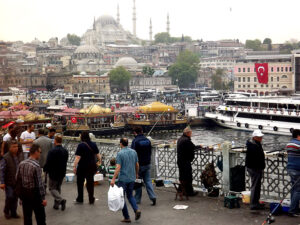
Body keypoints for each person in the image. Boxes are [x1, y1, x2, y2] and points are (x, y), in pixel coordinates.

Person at [111, 138, 141, 223]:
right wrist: (136, 174)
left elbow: (118, 168)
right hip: (131, 177)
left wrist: (113, 179)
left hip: (123, 179)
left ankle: (127, 217)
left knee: (122, 198)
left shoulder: (120, 154)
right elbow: (137, 165)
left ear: (121, 144)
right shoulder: (134, 152)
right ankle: (136, 209)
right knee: (130, 195)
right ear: (127, 143)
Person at [16, 144, 47, 225]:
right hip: (35, 195)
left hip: (25, 194)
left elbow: (18, 180)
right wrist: (43, 198)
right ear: (36, 152)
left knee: (27, 218)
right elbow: (40, 184)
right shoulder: (36, 166)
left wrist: (20, 197)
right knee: (40, 218)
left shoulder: (21, 163)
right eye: (40, 152)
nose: (40, 154)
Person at [73, 131, 101, 204]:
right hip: (91, 166)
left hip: (82, 167)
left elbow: (78, 157)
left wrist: (74, 166)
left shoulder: (80, 145)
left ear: (82, 137)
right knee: (90, 183)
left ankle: (80, 198)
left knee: (80, 182)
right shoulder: (93, 144)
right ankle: (91, 199)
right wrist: (100, 161)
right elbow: (98, 155)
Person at [131, 126, 156, 205]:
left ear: (135, 133)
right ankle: (152, 196)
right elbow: (150, 151)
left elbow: (133, 154)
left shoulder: (135, 141)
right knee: (148, 181)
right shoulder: (148, 141)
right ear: (141, 131)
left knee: (138, 181)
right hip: (147, 163)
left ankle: (137, 199)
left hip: (139, 165)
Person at [44, 134, 68, 211]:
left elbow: (48, 162)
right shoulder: (65, 151)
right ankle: (56, 205)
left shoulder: (52, 151)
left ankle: (61, 200)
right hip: (62, 171)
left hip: (53, 172)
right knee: (58, 187)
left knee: (51, 188)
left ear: (55, 141)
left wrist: (46, 169)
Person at [0, 140, 23, 219]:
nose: (16, 148)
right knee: (10, 196)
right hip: (9, 181)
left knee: (15, 197)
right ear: (10, 148)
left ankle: (13, 212)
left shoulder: (18, 156)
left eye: (17, 146)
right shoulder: (5, 157)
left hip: (16, 181)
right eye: (14, 147)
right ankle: (6, 211)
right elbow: (2, 171)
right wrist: (2, 182)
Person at [246, 130, 265, 210]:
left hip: (254, 167)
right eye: (259, 137)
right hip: (255, 168)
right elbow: (256, 158)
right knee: (255, 186)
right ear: (254, 137)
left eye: (261, 137)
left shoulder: (254, 144)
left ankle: (255, 202)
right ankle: (253, 204)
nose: (261, 138)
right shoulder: (254, 146)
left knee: (256, 186)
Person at [177, 127, 198, 196]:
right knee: (188, 177)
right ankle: (189, 192)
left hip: (180, 161)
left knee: (182, 176)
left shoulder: (180, 139)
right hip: (185, 161)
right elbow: (193, 147)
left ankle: (181, 190)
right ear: (188, 133)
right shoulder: (186, 140)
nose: (191, 134)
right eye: (191, 133)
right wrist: (200, 146)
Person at [285, 129, 300, 217]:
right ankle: (292, 210)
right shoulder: (298, 144)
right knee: (298, 190)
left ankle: (294, 208)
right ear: (298, 136)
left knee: (294, 189)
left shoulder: (289, 144)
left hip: (290, 168)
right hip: (298, 169)